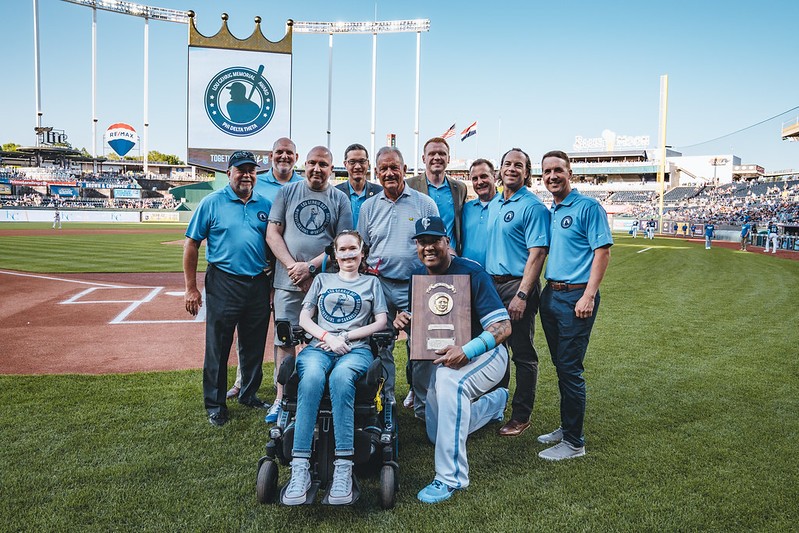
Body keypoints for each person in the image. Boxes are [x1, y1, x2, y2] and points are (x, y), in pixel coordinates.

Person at [394, 216, 511, 504]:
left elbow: (503, 327)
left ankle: (450, 478)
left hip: (485, 353)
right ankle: (495, 403)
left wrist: (468, 350)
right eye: (422, 242)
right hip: (446, 357)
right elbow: (429, 325)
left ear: (448, 242)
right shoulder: (417, 276)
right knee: (437, 433)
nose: (428, 247)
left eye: (434, 240)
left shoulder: (471, 272)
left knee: (450, 382)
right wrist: (406, 321)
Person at [283, 230, 388, 506]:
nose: (348, 254)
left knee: (342, 379)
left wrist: (346, 337)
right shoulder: (321, 279)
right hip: (320, 346)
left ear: (362, 252)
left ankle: (344, 465)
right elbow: (304, 317)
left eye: (353, 249)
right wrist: (327, 337)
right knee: (312, 377)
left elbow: (380, 322)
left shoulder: (371, 284)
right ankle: (300, 466)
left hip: (356, 349)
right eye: (343, 250)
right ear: (335, 254)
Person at [183, 150, 272, 427]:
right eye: (241, 170)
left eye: (251, 170)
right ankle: (215, 403)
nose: (246, 175)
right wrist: (191, 288)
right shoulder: (212, 202)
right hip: (224, 281)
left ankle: (249, 393)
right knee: (219, 346)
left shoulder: (265, 204)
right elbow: (191, 244)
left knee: (254, 344)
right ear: (229, 172)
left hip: (258, 282)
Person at [266, 146, 353, 424]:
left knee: (323, 342)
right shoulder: (287, 192)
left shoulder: (340, 199)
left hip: (325, 284)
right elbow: (272, 233)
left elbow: (343, 243)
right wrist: (294, 268)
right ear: (305, 165)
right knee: (285, 340)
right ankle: (281, 398)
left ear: (332, 168)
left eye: (323, 164)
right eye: (313, 163)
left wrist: (310, 268)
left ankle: (316, 396)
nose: (317, 168)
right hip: (287, 282)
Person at [537, 150, 613, 461]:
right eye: (547, 172)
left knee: (570, 369)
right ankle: (567, 427)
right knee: (561, 366)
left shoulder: (588, 206)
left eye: (558, 170)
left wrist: (589, 295)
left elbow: (603, 252)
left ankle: (574, 442)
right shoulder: (552, 210)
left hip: (576, 297)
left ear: (571, 174)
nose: (552, 176)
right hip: (551, 294)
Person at [357, 146, 439, 417]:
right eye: (384, 168)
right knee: (381, 344)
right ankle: (387, 399)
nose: (390, 173)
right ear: (376, 172)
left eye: (395, 167)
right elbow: (363, 248)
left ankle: (423, 402)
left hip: (416, 285)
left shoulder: (423, 202)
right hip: (380, 284)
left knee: (422, 346)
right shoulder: (369, 207)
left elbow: (436, 245)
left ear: (404, 169)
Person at [227, 137, 301, 402]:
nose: (284, 157)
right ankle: (242, 380)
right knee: (250, 329)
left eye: (289, 153)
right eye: (279, 152)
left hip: (288, 268)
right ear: (271, 156)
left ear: (296, 156)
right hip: (260, 267)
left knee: (285, 327)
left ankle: (280, 383)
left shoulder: (302, 185)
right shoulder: (258, 182)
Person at [486, 148, 550, 438]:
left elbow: (537, 253)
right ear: (499, 170)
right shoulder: (496, 203)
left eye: (518, 165)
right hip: (492, 284)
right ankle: (494, 405)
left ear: (527, 173)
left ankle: (521, 415)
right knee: (492, 349)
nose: (511, 168)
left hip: (517, 285)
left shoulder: (533, 206)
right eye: (507, 164)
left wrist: (522, 295)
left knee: (522, 352)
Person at [406, 137, 467, 255]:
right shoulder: (409, 186)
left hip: (449, 258)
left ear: (448, 158)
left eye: (442, 154)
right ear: (424, 158)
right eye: (432, 154)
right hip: (420, 257)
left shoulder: (459, 188)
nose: (437, 157)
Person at [461, 159, 498, 268]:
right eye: (475, 179)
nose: (480, 182)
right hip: (468, 274)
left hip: (495, 276)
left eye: (484, 176)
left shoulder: (504, 206)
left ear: (494, 177)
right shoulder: (466, 208)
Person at [336, 143, 382, 228]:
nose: (357, 166)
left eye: (362, 161)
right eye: (352, 162)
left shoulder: (380, 193)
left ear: (368, 164)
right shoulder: (335, 193)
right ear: (345, 164)